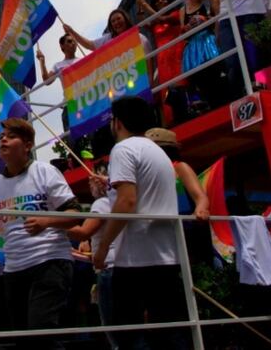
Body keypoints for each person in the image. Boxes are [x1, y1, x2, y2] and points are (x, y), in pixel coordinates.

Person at [0, 117, 81, 349]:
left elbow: (75, 214)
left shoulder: (45, 172)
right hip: (14, 269)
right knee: (24, 337)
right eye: (2, 137)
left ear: (28, 145)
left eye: (10, 136)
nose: (3, 140)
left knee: (41, 331)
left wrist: (45, 222)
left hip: (50, 261)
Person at [93, 96, 187, 350]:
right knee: (171, 335)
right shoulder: (158, 152)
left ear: (118, 122)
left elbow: (126, 202)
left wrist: (102, 247)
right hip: (166, 256)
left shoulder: (123, 149)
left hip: (135, 260)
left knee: (129, 337)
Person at [68, 165, 120, 350]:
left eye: (94, 179)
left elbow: (84, 231)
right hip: (124, 265)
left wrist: (51, 223)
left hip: (109, 269)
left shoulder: (101, 204)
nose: (90, 182)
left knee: (113, 328)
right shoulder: (121, 201)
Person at [136, 0, 188, 125]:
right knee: (167, 91)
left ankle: (187, 113)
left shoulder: (178, 14)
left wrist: (145, 3)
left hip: (177, 55)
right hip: (163, 61)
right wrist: (139, 2)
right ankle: (172, 120)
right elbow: (143, 21)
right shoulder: (154, 23)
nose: (160, 1)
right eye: (157, 0)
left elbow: (161, 18)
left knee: (181, 85)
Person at [177, 0, 222, 112]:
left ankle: (218, 103)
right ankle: (207, 104)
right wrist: (186, 28)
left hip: (209, 41)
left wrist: (205, 19)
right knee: (199, 80)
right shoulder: (183, 10)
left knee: (215, 76)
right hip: (193, 48)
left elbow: (219, 19)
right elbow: (183, 34)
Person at [37, 33, 81, 130]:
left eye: (74, 41)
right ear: (62, 46)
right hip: (69, 105)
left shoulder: (84, 60)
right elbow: (47, 81)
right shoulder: (58, 65)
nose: (73, 43)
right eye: (69, 41)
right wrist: (42, 61)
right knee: (72, 140)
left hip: (86, 101)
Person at [63, 10, 152, 53]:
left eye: (118, 19)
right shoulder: (108, 38)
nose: (116, 22)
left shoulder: (140, 38)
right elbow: (90, 45)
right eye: (113, 21)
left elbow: (149, 60)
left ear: (125, 19)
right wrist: (71, 32)